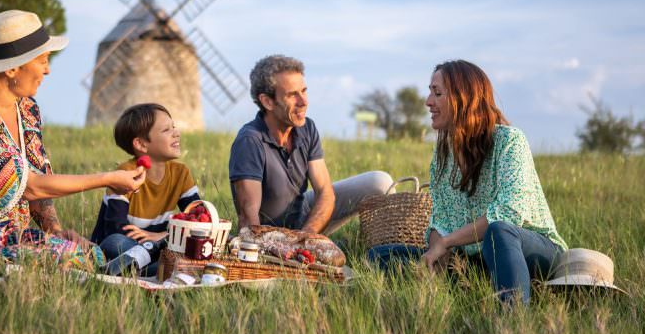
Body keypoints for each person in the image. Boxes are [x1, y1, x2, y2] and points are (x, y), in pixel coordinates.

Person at [0, 10, 145, 270]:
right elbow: (30, 186)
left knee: (91, 254)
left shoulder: (28, 109)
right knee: (76, 259)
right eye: (43, 60)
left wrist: (54, 229)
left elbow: (36, 174)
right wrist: (108, 179)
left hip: (10, 234)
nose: (47, 70)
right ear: (13, 68)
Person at [372, 60, 567, 305]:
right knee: (380, 256)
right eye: (430, 91)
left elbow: (508, 213)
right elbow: (439, 218)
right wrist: (436, 253)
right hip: (476, 257)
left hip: (533, 251)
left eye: (437, 93)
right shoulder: (444, 152)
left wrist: (447, 242)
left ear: (464, 99)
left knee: (499, 232)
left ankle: (513, 322)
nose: (428, 101)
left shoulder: (510, 141)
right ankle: (458, 289)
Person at [229, 55, 394, 235]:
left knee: (380, 182)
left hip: (303, 216)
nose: (303, 101)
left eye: (304, 91)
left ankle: (385, 250)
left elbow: (325, 191)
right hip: (272, 237)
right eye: (292, 94)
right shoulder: (250, 141)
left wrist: (306, 236)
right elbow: (248, 218)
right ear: (267, 101)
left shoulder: (306, 128)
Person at [90, 103, 201, 276]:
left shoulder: (181, 173)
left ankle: (145, 269)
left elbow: (198, 220)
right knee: (115, 242)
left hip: (159, 247)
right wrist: (161, 241)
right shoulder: (126, 173)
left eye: (174, 127)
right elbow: (115, 229)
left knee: (198, 242)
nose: (176, 133)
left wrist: (161, 237)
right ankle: (160, 269)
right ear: (141, 144)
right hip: (124, 246)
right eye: (166, 130)